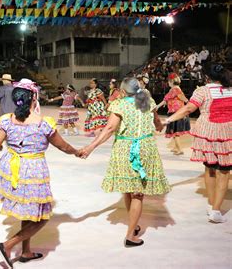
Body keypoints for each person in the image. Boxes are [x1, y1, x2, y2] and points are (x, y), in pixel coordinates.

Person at [0, 79, 80, 267]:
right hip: (33, 171)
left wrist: (6, 147)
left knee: (28, 212)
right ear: (33, 98)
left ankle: (26, 252)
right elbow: (63, 146)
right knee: (41, 217)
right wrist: (78, 152)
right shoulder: (42, 123)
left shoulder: (7, 120)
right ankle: (7, 245)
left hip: (13, 169)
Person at [80, 77, 170, 248]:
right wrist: (160, 126)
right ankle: (132, 231)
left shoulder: (119, 104)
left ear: (122, 91)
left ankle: (131, 230)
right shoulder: (148, 101)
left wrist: (91, 147)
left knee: (129, 189)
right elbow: (157, 123)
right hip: (145, 148)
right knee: (137, 192)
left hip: (124, 148)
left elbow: (109, 128)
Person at [165, 64, 231, 223]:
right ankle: (216, 209)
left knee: (209, 169)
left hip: (208, 133)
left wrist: (169, 119)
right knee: (224, 172)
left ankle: (211, 204)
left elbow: (188, 109)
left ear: (207, 77)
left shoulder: (202, 91)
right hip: (228, 133)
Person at [156, 73, 190, 155]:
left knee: (175, 131)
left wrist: (188, 102)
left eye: (168, 81)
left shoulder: (175, 89)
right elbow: (168, 100)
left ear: (171, 81)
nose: (168, 83)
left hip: (175, 112)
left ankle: (179, 149)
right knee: (175, 132)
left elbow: (168, 99)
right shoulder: (176, 89)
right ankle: (176, 147)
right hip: (176, 111)